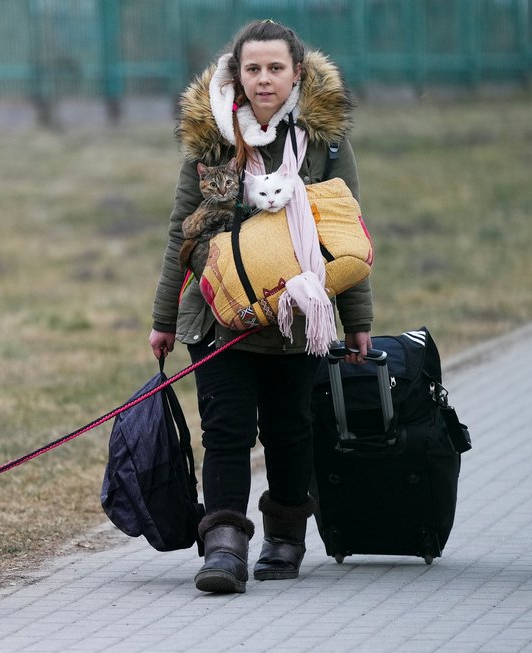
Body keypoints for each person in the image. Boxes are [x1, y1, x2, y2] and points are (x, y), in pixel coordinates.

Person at [148, 19, 373, 594]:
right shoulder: (212, 139)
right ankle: (223, 544)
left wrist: (359, 323)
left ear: (297, 73)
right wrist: (163, 321)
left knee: (289, 430)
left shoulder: (324, 143)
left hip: (299, 318)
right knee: (224, 430)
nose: (264, 79)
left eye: (275, 68)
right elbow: (181, 233)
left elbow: (346, 234)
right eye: (253, 69)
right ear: (237, 74)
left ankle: (285, 537)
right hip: (219, 317)